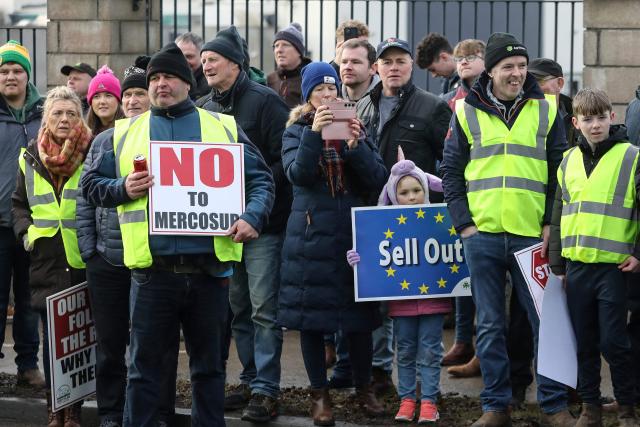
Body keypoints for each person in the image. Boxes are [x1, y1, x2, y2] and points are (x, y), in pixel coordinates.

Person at [81, 42, 274, 427]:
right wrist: (123, 188)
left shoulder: (222, 126)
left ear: (188, 83)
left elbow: (262, 181)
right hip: (152, 276)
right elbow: (89, 185)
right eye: (154, 78)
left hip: (209, 275)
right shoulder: (120, 135)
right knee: (144, 372)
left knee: (209, 372)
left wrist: (253, 216)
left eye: (169, 76)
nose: (160, 84)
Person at [441, 32, 574, 427]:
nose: (516, 74)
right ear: (492, 71)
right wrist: (464, 224)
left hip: (533, 235)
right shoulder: (464, 110)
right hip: (481, 235)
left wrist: (552, 223)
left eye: (520, 66)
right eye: (507, 67)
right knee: (489, 323)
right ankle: (495, 407)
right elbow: (450, 171)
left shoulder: (548, 109)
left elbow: (559, 174)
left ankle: (554, 406)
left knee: (545, 322)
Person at [277, 61, 388, 426]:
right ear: (308, 95)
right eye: (319, 90)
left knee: (357, 319)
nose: (327, 95)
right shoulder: (296, 130)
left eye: (331, 89)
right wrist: (314, 133)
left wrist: (356, 145)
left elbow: (377, 179)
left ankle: (363, 389)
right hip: (310, 237)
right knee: (311, 320)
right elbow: (298, 174)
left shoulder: (354, 124)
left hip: (353, 236)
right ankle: (319, 394)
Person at [198, 25, 290, 423]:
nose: (205, 66)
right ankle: (251, 379)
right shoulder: (201, 107)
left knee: (264, 309)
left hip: (263, 228)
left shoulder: (267, 103)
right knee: (237, 308)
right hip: (223, 228)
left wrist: (246, 193)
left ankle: (267, 390)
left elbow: (283, 160)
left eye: (212, 59)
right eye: (202, 61)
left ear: (235, 64)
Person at [549, 88, 639, 427]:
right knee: (584, 341)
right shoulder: (568, 160)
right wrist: (558, 264)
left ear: (612, 118)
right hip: (576, 267)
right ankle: (590, 408)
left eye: (601, 117)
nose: (596, 124)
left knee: (614, 342)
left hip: (613, 268)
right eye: (588, 119)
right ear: (576, 122)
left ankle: (627, 409)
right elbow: (559, 214)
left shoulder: (632, 156)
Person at [346, 154, 451, 424]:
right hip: (401, 303)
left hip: (434, 301)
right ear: (393, 196)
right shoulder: (386, 227)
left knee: (430, 350)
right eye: (404, 192)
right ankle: (407, 400)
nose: (412, 196)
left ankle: (428, 401)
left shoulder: (440, 222)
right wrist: (360, 257)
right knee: (404, 350)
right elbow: (374, 254)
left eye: (417, 190)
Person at [12, 85, 91, 427]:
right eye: (56, 113)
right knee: (50, 342)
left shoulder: (93, 150)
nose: (63, 119)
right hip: (44, 261)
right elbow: (18, 205)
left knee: (78, 343)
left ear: (80, 119)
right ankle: (53, 412)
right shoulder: (29, 155)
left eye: (70, 113)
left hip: (82, 260)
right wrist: (26, 234)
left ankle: (73, 412)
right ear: (46, 118)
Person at [0, 39, 45, 390]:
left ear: (27, 76)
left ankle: (28, 367)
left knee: (30, 300)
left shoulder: (45, 112)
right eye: (4, 71)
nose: (10, 76)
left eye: (17, 70)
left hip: (34, 223)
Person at [440, 38, 485, 370]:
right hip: (464, 199)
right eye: (460, 58)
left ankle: (481, 350)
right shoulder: (452, 98)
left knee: (489, 288)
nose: (465, 62)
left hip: (490, 200)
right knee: (462, 275)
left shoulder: (488, 95)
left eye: (472, 56)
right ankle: (462, 342)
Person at [528, 58, 579, 147]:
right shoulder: (518, 115)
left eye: (539, 81)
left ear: (560, 83)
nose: (532, 86)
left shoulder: (579, 117)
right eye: (528, 82)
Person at [267, 22, 311, 108]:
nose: (279, 50)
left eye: (285, 45)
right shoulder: (270, 79)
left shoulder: (309, 79)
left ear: (299, 51)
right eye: (276, 46)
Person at [86, 66, 125, 136]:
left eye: (108, 96)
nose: (102, 101)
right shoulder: (84, 133)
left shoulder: (128, 129)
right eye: (96, 97)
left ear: (118, 100)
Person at [339, 39, 379, 104]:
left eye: (355, 62)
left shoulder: (386, 99)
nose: (347, 67)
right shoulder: (331, 97)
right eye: (344, 62)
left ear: (372, 69)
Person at [175, 32, 210, 101]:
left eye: (189, 56)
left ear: (201, 57)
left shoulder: (210, 84)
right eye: (179, 56)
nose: (183, 61)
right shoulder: (166, 80)